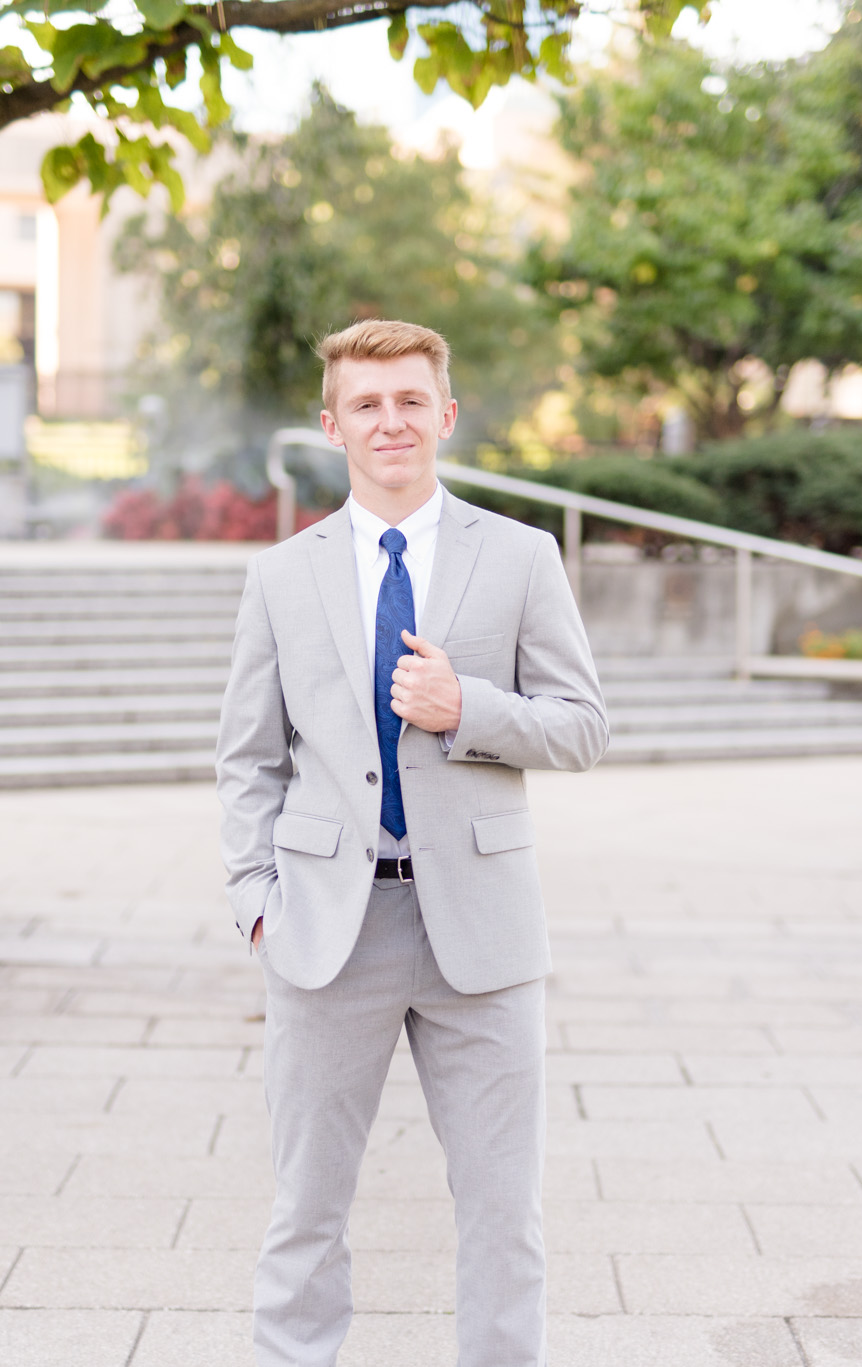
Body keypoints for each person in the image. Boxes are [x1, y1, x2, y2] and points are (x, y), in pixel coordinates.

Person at [216, 318, 609, 1367]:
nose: (388, 421)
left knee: (501, 1213)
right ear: (331, 425)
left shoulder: (520, 556)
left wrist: (465, 706)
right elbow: (247, 757)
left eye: (407, 401)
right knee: (305, 1208)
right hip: (323, 927)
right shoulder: (279, 576)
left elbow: (580, 724)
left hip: (480, 932)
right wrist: (253, 895)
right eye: (364, 404)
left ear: (442, 412)